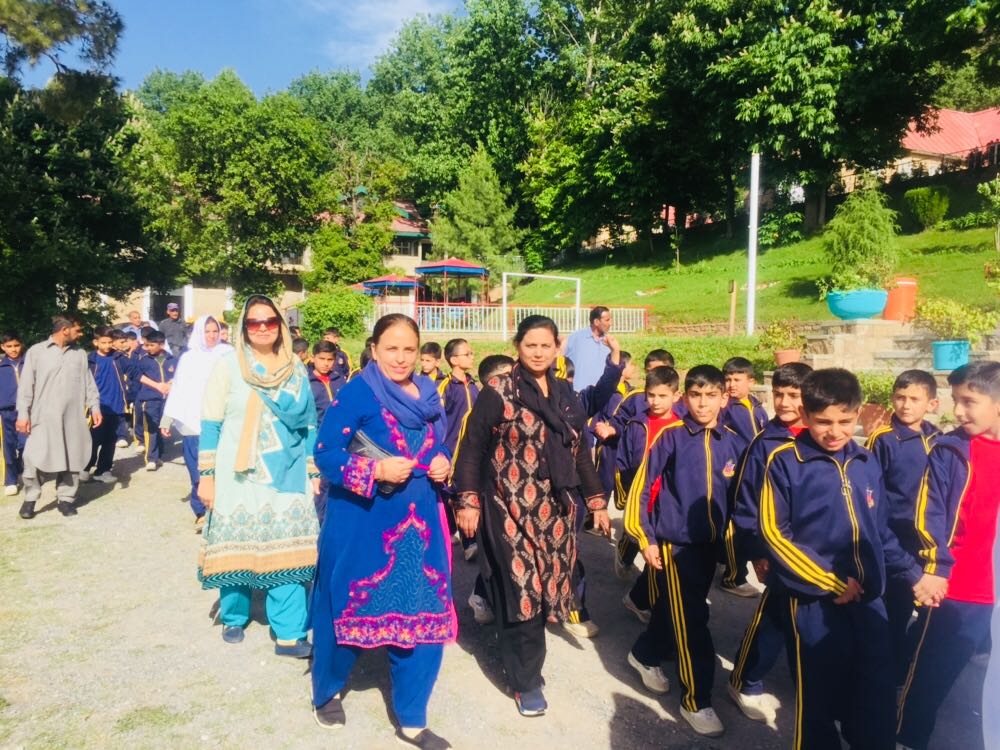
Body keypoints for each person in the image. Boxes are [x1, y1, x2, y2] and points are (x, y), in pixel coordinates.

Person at [758, 368, 943, 750]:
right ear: (805, 416)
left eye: (844, 421)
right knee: (818, 699)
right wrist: (831, 582)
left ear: (858, 413)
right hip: (812, 601)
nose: (834, 431)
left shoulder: (864, 460)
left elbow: (880, 531)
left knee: (874, 693)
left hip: (869, 599)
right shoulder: (785, 462)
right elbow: (775, 534)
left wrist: (915, 574)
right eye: (823, 422)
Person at [452, 315, 610, 718]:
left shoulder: (565, 394)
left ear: (557, 348)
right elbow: (471, 449)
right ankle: (526, 680)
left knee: (544, 591)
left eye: (545, 345)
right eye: (530, 345)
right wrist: (467, 502)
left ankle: (518, 648)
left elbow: (580, 451)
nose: (538, 353)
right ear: (517, 347)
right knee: (522, 589)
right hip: (506, 507)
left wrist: (596, 501)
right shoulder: (498, 391)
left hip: (554, 512)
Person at [311, 314, 453, 749]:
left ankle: (412, 717)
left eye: (409, 349)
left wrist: (443, 461)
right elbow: (326, 454)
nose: (401, 358)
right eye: (391, 348)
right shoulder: (357, 392)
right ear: (374, 350)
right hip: (362, 520)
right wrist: (375, 470)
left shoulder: (428, 394)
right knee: (347, 604)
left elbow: (439, 443)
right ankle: (327, 690)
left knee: (420, 610)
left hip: (418, 523)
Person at [624, 364, 744, 737]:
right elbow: (643, 486)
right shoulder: (672, 436)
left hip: (709, 544)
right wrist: (645, 537)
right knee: (693, 619)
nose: (703, 404)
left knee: (675, 607)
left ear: (724, 398)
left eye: (711, 396)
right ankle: (696, 700)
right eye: (695, 395)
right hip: (674, 545)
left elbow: (741, 498)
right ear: (685, 398)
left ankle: (644, 654)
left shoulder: (733, 442)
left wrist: (738, 548)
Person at [197, 295, 319, 657]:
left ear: (280, 325)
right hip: (237, 473)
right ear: (244, 328)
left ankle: (289, 633)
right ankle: (234, 615)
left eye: (269, 321)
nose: (262, 328)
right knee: (238, 543)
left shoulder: (295, 367)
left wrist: (312, 468)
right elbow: (211, 422)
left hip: (288, 471)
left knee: (289, 550)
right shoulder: (229, 366)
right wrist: (207, 476)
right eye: (254, 322)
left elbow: (308, 423)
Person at [896, 362, 1000, 750]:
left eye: (969, 401)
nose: (957, 411)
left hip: (995, 587)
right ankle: (907, 737)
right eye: (955, 400)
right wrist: (935, 568)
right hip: (959, 586)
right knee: (932, 673)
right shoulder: (950, 450)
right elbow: (929, 514)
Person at [728, 361, 812, 723]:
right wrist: (757, 552)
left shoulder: (819, 434)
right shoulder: (766, 443)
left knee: (810, 617)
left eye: (794, 394)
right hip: (777, 548)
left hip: (815, 548)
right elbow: (746, 501)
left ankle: (808, 678)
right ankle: (745, 679)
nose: (785, 402)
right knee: (775, 614)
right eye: (779, 394)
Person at [864, 369, 941, 681]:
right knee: (894, 608)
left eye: (914, 399)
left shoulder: (938, 439)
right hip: (893, 539)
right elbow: (871, 490)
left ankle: (907, 658)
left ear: (932, 404)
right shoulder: (884, 439)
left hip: (928, 540)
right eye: (900, 397)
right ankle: (889, 674)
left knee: (931, 608)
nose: (906, 405)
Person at [613, 365, 683, 635]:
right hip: (642, 497)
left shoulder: (682, 426)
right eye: (651, 395)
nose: (655, 401)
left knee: (660, 555)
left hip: (668, 502)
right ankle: (642, 599)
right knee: (650, 549)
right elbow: (623, 462)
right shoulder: (636, 424)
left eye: (662, 396)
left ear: (676, 396)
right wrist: (626, 495)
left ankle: (640, 598)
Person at [16, 315, 101, 519]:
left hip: (73, 417)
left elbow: (88, 383)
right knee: (33, 457)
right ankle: (30, 498)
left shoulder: (80, 354)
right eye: (77, 330)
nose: (80, 334)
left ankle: (66, 499)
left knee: (73, 456)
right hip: (43, 416)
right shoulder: (36, 352)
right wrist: (23, 414)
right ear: (65, 330)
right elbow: (26, 386)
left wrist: (95, 407)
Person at [161, 316, 232, 531]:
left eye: (215, 331)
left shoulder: (229, 354)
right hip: (193, 421)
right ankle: (201, 511)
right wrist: (167, 418)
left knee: (221, 468)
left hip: (221, 421)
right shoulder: (189, 358)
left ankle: (221, 510)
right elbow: (179, 389)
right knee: (197, 468)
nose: (211, 335)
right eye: (207, 331)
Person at [719, 356, 769, 597]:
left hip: (755, 473)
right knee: (735, 523)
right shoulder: (726, 408)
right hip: (735, 473)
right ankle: (733, 577)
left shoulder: (757, 408)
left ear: (751, 381)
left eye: (737, 379)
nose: (731, 385)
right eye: (727, 379)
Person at [439, 338, 480, 561]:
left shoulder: (474, 385)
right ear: (453, 359)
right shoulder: (445, 387)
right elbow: (437, 421)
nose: (472, 357)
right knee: (453, 494)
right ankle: (466, 540)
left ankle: (469, 538)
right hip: (451, 450)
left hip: (472, 448)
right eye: (467, 354)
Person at [83, 326, 132, 484]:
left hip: (116, 406)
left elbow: (134, 371)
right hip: (97, 407)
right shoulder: (89, 360)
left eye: (110, 342)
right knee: (92, 439)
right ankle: (85, 468)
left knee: (110, 441)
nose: (107, 345)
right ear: (95, 342)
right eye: (103, 342)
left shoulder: (119, 357)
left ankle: (103, 470)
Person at [135, 330, 177, 471]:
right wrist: (157, 386)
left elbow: (178, 376)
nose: (148, 348)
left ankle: (159, 454)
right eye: (146, 345)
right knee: (151, 428)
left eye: (151, 345)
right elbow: (138, 376)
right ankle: (151, 458)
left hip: (167, 400)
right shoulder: (143, 360)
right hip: (150, 398)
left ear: (162, 344)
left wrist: (169, 384)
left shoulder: (172, 359)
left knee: (161, 427)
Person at [563, 306, 612, 392]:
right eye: (607, 320)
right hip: (577, 392)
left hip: (600, 394)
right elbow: (560, 360)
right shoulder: (576, 338)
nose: (610, 323)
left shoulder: (610, 342)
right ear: (596, 322)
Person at [1, 332, 26, 496]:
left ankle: (22, 466)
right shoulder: (1, 365)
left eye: (16, 345)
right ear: (2, 347)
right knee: (8, 446)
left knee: (26, 444)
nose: (13, 349)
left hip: (26, 411)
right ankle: (11, 480)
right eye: (9, 346)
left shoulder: (29, 362)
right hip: (6, 411)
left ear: (21, 344)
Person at [308, 340, 346, 428]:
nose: (326, 364)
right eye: (321, 359)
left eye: (330, 360)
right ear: (312, 358)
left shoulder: (339, 379)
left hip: (339, 428)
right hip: (316, 430)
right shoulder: (307, 382)